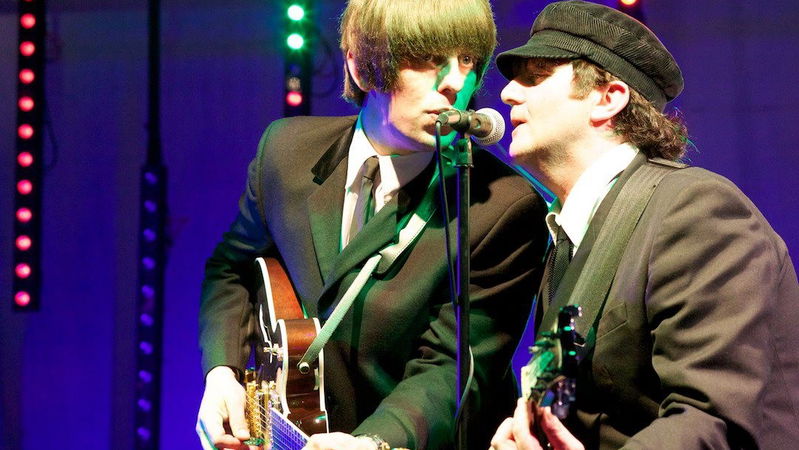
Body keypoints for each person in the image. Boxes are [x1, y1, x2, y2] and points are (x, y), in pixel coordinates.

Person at [196, 0, 548, 449]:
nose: (458, 82)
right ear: (362, 67)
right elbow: (231, 269)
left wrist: (375, 442)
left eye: (468, 60)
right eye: (428, 59)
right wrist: (221, 373)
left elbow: (452, 366)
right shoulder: (285, 152)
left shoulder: (504, 205)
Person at [489, 1, 799, 449]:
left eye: (535, 77)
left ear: (608, 97)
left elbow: (712, 419)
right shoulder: (566, 243)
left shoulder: (695, 209)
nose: (508, 94)